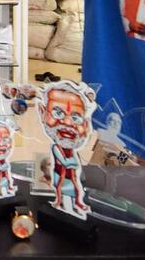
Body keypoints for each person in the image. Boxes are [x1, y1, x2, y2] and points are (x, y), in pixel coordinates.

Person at [36, 81, 96, 219]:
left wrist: (72, 165)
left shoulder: (72, 149)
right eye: (57, 113)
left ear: (86, 123)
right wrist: (72, 164)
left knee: (72, 195)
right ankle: (67, 210)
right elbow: (65, 162)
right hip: (61, 179)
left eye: (75, 117)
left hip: (72, 180)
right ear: (42, 112)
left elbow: (71, 162)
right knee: (66, 197)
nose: (67, 122)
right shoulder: (56, 148)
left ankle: (73, 210)